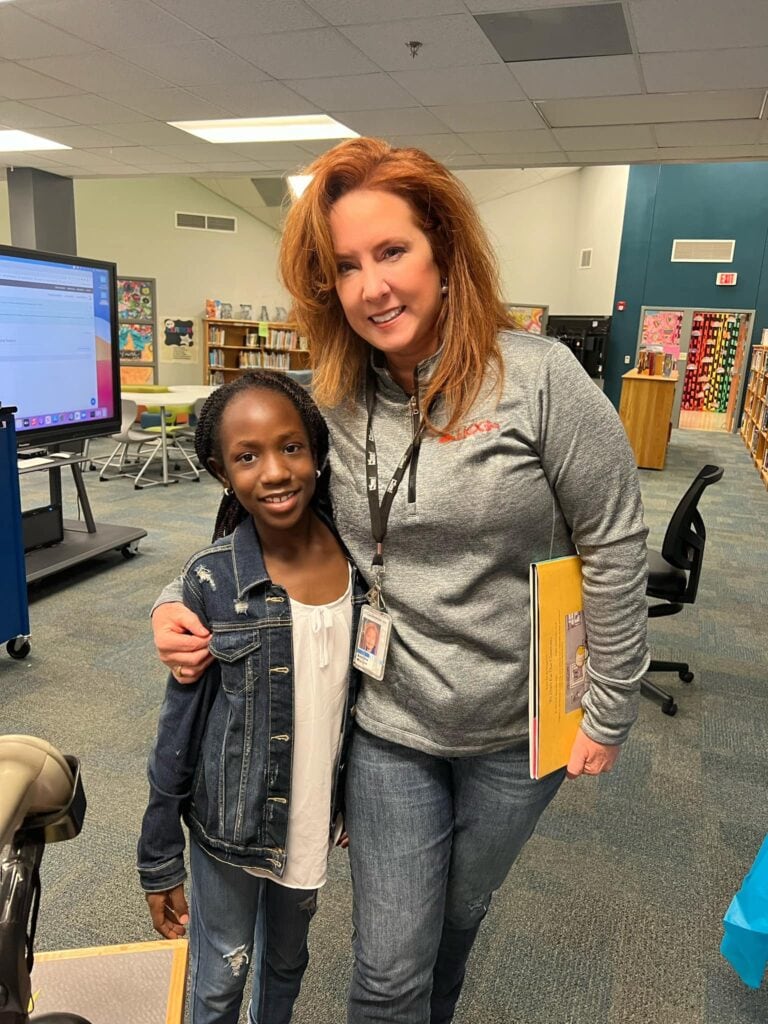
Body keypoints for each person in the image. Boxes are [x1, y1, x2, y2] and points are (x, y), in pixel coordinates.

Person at [151, 138, 650, 1024]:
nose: (373, 286)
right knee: (386, 970)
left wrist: (609, 704)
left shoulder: (538, 379)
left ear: (446, 254)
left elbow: (613, 541)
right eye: (347, 266)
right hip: (389, 726)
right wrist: (170, 604)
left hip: (516, 726)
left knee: (454, 921)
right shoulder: (330, 397)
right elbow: (257, 504)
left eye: (393, 252)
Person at [138, 370, 366, 1024]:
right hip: (229, 829)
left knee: (286, 966)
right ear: (221, 471)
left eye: (291, 448)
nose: (274, 471)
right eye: (247, 456)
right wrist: (158, 858)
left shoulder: (358, 564)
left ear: (318, 451)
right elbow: (174, 736)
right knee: (220, 974)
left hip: (313, 823)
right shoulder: (213, 580)